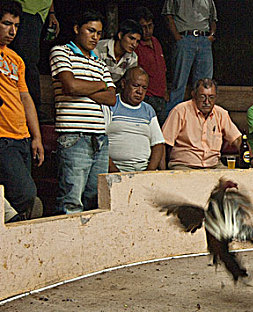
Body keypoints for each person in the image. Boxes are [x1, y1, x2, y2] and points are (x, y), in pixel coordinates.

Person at [49, 10, 116, 214]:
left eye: (99, 33)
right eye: (91, 31)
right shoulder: (61, 52)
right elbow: (70, 86)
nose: (95, 37)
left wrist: (84, 87)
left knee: (94, 200)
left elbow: (112, 98)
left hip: (100, 139)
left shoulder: (99, 62)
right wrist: (98, 85)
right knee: (71, 200)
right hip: (73, 136)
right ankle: (67, 245)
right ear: (77, 29)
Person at [0, 0, 44, 220]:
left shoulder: (16, 59)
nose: (12, 31)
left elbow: (25, 98)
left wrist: (36, 136)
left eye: (16, 25)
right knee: (26, 194)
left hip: (22, 137)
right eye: (7, 24)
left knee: (18, 197)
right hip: (3, 137)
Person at [162, 78, 253, 170]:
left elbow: (238, 140)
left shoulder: (221, 113)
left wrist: (252, 159)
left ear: (216, 97)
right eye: (202, 96)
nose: (207, 101)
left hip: (213, 166)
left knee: (233, 184)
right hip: (184, 165)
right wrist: (162, 171)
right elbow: (164, 143)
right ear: (194, 95)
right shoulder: (180, 111)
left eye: (211, 97)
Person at [162, 0, 217, 112]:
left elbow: (213, 19)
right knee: (179, 82)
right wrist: (177, 37)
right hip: (184, 37)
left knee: (205, 83)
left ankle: (201, 118)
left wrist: (211, 35)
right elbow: (168, 16)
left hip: (203, 38)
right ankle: (173, 119)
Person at [108, 67, 165, 173]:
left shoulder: (148, 110)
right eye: (136, 86)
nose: (140, 91)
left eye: (144, 88)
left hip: (143, 170)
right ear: (124, 84)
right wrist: (114, 171)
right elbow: (100, 142)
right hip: (114, 170)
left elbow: (158, 144)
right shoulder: (112, 104)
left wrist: (148, 172)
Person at [10, 0, 59, 122]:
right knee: (25, 60)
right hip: (25, 9)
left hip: (39, 13)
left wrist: (51, 13)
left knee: (29, 60)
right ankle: (32, 110)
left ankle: (32, 109)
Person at [133, 6, 169, 126]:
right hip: (147, 97)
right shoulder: (136, 47)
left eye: (150, 26)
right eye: (144, 27)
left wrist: (165, 91)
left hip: (161, 98)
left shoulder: (156, 42)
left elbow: (162, 69)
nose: (147, 30)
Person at [95, 19, 141, 84]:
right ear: (120, 35)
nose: (134, 44)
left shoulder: (133, 58)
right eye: (131, 38)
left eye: (137, 41)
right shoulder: (99, 48)